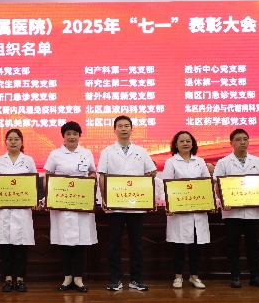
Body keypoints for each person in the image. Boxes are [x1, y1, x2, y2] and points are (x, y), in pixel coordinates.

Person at [98, 115, 157, 292]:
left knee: (136, 244)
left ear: (131, 129)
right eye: (120, 126)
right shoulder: (107, 151)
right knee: (114, 243)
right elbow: (102, 176)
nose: (123, 129)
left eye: (126, 126)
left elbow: (151, 173)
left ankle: (136, 279)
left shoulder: (141, 151)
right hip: (115, 205)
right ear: (114, 130)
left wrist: (145, 194)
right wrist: (105, 199)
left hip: (136, 206)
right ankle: (115, 279)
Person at [213, 128, 259, 289]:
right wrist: (223, 201)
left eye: (245, 139)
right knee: (233, 245)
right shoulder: (223, 162)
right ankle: (235, 277)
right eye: (238, 139)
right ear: (231, 143)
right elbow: (218, 186)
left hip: (253, 212)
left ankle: (256, 277)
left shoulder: (258, 161)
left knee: (254, 245)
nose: (242, 142)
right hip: (232, 212)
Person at [44, 121, 97, 293]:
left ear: (79, 136)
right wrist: (50, 197)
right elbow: (48, 176)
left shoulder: (86, 153)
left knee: (81, 242)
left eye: (75, 134)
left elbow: (92, 172)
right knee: (64, 242)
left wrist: (90, 179)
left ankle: (79, 279)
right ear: (63, 136)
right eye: (68, 134)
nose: (72, 137)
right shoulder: (55, 154)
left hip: (81, 204)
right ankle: (67, 277)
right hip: (62, 205)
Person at [0, 129, 37, 293]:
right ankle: (8, 279)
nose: (13, 142)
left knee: (21, 248)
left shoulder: (28, 161)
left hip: (22, 211)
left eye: (16, 139)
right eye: (10, 139)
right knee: (6, 247)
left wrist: (34, 201)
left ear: (22, 142)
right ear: (5, 142)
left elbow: (34, 185)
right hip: (3, 211)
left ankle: (21, 279)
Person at [162, 131, 211, 289]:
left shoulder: (200, 161)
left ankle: (194, 276)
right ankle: (178, 277)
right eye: (181, 141)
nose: (185, 144)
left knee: (196, 246)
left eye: (188, 141)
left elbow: (207, 183)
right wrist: (169, 205)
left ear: (193, 143)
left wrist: (209, 202)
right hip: (179, 212)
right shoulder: (171, 162)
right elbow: (166, 185)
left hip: (197, 210)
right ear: (176, 144)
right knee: (178, 245)